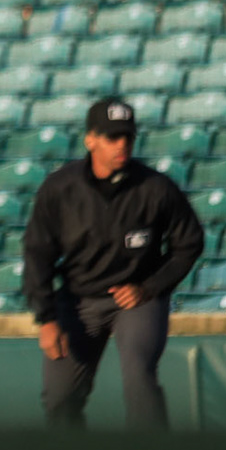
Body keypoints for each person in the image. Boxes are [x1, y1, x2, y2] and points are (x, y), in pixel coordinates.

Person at [23, 97, 205, 429]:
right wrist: (46, 318)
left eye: (128, 137)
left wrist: (150, 287)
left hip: (136, 299)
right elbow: (37, 253)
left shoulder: (155, 188)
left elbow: (189, 242)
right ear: (90, 139)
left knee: (139, 378)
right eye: (112, 136)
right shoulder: (61, 188)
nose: (122, 144)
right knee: (59, 399)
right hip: (79, 300)